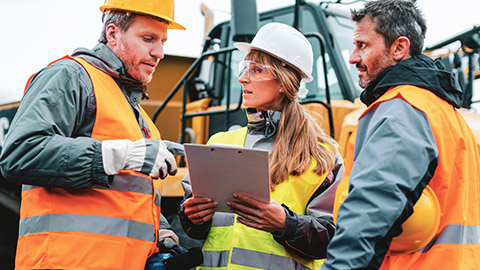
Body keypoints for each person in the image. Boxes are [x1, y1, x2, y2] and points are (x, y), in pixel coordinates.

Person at [0, 0, 186, 269]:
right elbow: (19, 154)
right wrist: (118, 154)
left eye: (163, 42)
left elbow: (123, 200)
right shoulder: (70, 76)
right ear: (112, 34)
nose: (159, 52)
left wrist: (161, 232)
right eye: (148, 39)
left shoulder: (141, 118)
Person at [322, 0, 480, 269]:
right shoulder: (445, 111)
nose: (352, 57)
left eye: (363, 45)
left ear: (399, 48)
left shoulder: (401, 108)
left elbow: (370, 210)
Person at [178, 22, 344, 269]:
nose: (242, 78)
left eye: (256, 70)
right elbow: (197, 228)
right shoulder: (219, 143)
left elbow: (335, 239)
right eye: (244, 67)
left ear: (284, 82)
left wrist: (286, 225)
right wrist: (193, 216)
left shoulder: (323, 156)